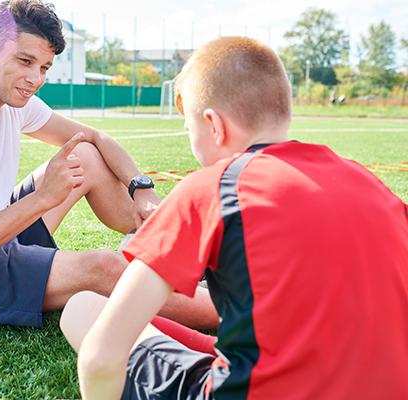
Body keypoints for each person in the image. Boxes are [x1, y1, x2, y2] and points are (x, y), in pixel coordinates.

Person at [60, 36, 408, 399]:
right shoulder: (372, 184)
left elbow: (101, 357)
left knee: (83, 309)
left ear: (214, 126)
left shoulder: (214, 186)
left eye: (189, 132)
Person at [0, 0, 218, 329]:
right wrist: (42, 198)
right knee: (102, 267)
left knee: (83, 154)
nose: (34, 78)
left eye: (43, 67)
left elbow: (96, 138)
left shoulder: (12, 96)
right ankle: (241, 311)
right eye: (24, 60)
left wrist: (140, 188)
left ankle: (163, 252)